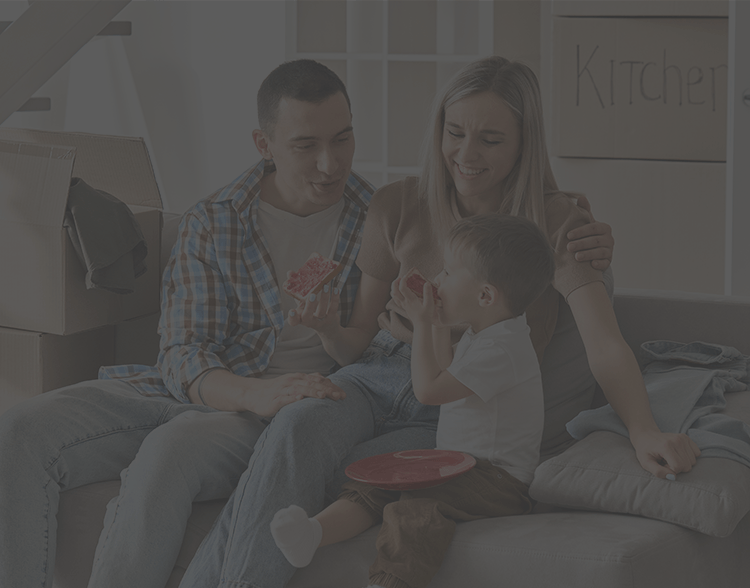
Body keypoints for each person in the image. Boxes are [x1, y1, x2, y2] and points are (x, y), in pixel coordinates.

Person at [0, 59, 610, 588]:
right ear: (264, 144)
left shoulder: (373, 215)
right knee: (17, 431)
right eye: (306, 145)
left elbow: (379, 342)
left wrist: (577, 228)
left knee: (169, 455)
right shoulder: (217, 218)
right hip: (198, 386)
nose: (330, 162)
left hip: (285, 406)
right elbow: (181, 354)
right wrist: (254, 391)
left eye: (343, 139)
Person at [179, 57, 697, 588]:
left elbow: (603, 343)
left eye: (491, 140)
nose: (466, 156)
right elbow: (357, 345)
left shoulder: (558, 224)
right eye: (454, 133)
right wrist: (329, 329)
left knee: (351, 473)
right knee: (294, 430)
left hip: (453, 400)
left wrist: (643, 430)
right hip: (374, 372)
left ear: (524, 142)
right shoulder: (396, 204)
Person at [270, 213, 555, 588]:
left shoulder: (504, 350)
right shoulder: (486, 332)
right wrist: (436, 323)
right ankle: (313, 533)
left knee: (416, 509)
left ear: (485, 296)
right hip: (460, 465)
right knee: (377, 479)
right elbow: (446, 367)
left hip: (497, 480)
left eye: (449, 274)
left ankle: (390, 582)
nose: (439, 281)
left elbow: (429, 390)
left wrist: (421, 325)